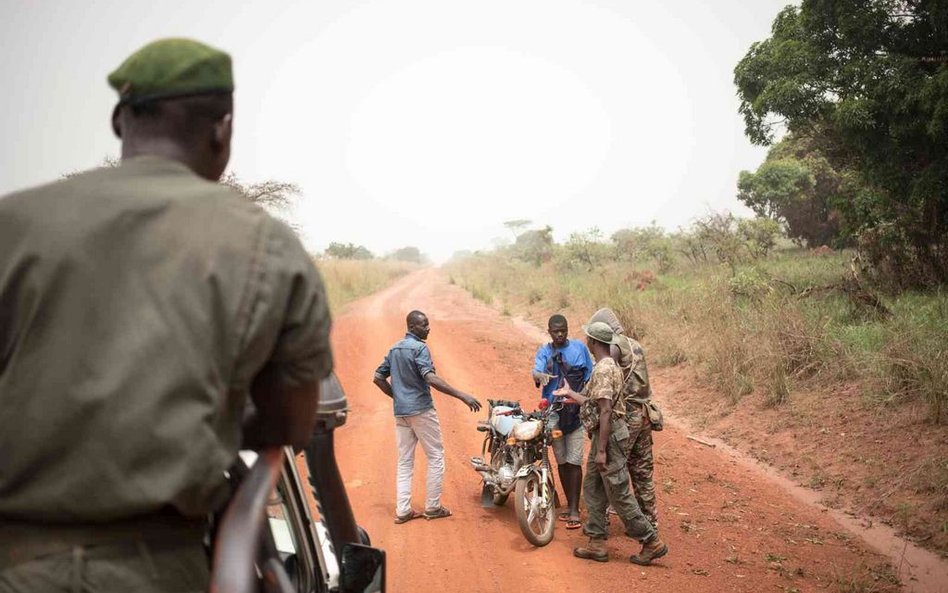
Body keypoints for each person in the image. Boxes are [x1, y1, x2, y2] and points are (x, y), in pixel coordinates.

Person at [0, 38, 333, 593]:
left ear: (117, 120)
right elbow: (290, 422)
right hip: (156, 567)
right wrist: (205, 421)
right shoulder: (266, 247)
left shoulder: (12, 225)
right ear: (222, 129)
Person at [554, 322, 667, 565]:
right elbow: (596, 402)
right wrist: (572, 394)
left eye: (588, 338)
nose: (586, 342)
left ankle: (651, 541)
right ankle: (596, 542)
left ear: (593, 342)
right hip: (603, 436)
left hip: (609, 437)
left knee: (619, 493)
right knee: (593, 488)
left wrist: (602, 450)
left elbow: (605, 411)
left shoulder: (604, 369)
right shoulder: (609, 366)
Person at [373, 310, 481, 524]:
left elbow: (378, 378)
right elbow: (430, 378)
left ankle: (403, 511)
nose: (428, 328)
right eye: (424, 324)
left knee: (405, 462)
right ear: (412, 327)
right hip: (421, 411)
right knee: (436, 456)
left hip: (402, 414)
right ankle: (433, 507)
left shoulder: (395, 349)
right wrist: (462, 395)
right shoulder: (420, 348)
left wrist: (398, 397)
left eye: (428, 323)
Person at [589, 308, 658, 528]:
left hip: (626, 416)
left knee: (610, 468)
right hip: (645, 413)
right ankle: (650, 522)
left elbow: (607, 378)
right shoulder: (634, 343)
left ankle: (602, 524)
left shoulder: (613, 347)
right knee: (642, 472)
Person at [531, 314, 593, 530]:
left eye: (563, 330)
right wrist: (541, 375)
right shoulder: (545, 351)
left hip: (575, 411)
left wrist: (581, 397)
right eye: (556, 331)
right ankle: (568, 505)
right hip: (554, 413)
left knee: (575, 461)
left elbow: (590, 375)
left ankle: (575, 508)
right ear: (549, 331)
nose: (560, 334)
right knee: (562, 461)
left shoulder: (579, 348)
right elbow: (535, 372)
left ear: (567, 330)